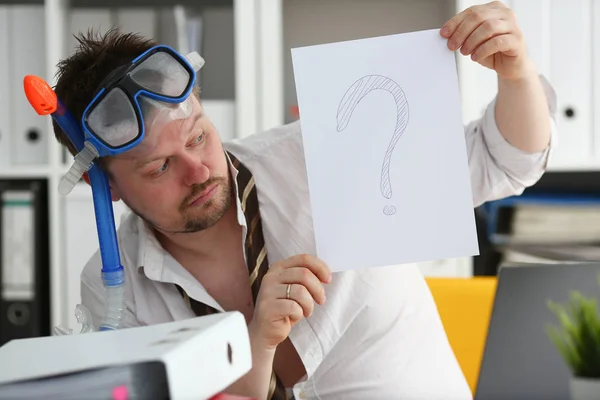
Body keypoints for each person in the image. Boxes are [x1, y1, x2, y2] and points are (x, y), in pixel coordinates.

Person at [53, 2, 556, 399]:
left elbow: (503, 161)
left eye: (197, 137)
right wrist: (259, 339)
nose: (199, 170)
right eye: (159, 167)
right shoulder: (111, 287)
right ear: (107, 188)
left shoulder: (327, 150)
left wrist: (516, 74)